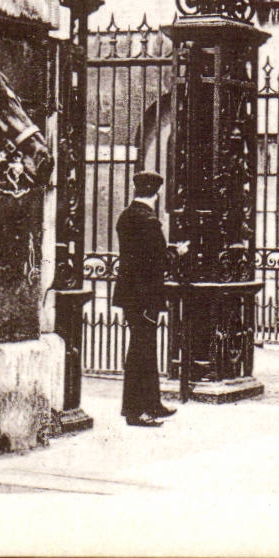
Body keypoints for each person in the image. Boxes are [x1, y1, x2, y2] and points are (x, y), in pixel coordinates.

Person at [114, 170, 177, 427]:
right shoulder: (149, 221)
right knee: (142, 350)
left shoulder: (126, 216)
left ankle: (151, 404)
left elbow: (139, 254)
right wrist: (176, 253)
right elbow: (159, 259)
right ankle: (135, 411)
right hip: (145, 295)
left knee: (143, 348)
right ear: (157, 194)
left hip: (130, 293)